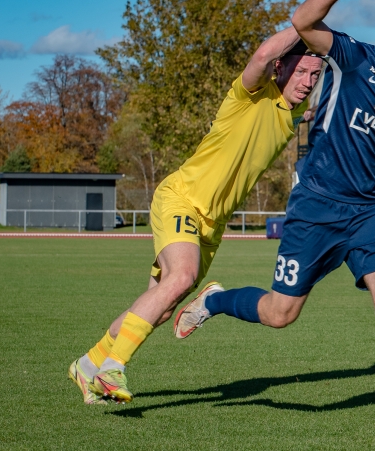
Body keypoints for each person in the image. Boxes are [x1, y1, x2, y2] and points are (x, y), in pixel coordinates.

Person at [172, 0, 375, 439]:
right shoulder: (350, 56)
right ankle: (213, 302)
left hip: (368, 213)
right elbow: (302, 20)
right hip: (317, 205)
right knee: (281, 314)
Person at [67, 27, 323, 405]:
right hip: (182, 199)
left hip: (212, 225)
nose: (308, 82)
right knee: (182, 276)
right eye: (301, 72)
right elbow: (262, 54)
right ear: (279, 68)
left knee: (161, 305)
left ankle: (88, 365)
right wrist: (311, 20)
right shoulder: (249, 94)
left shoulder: (295, 111)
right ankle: (113, 368)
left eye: (315, 75)